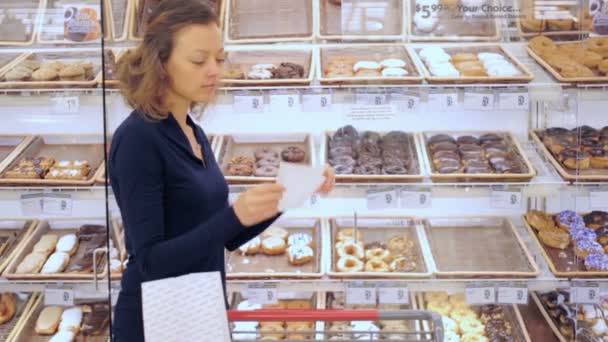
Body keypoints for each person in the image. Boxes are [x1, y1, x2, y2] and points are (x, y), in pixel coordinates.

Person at [109, 1, 335, 340]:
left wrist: (291, 190)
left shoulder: (190, 130)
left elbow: (223, 238)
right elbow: (149, 262)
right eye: (199, 60)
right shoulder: (138, 138)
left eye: (219, 58)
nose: (214, 70)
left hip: (198, 307)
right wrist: (234, 216)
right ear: (161, 63)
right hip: (154, 322)